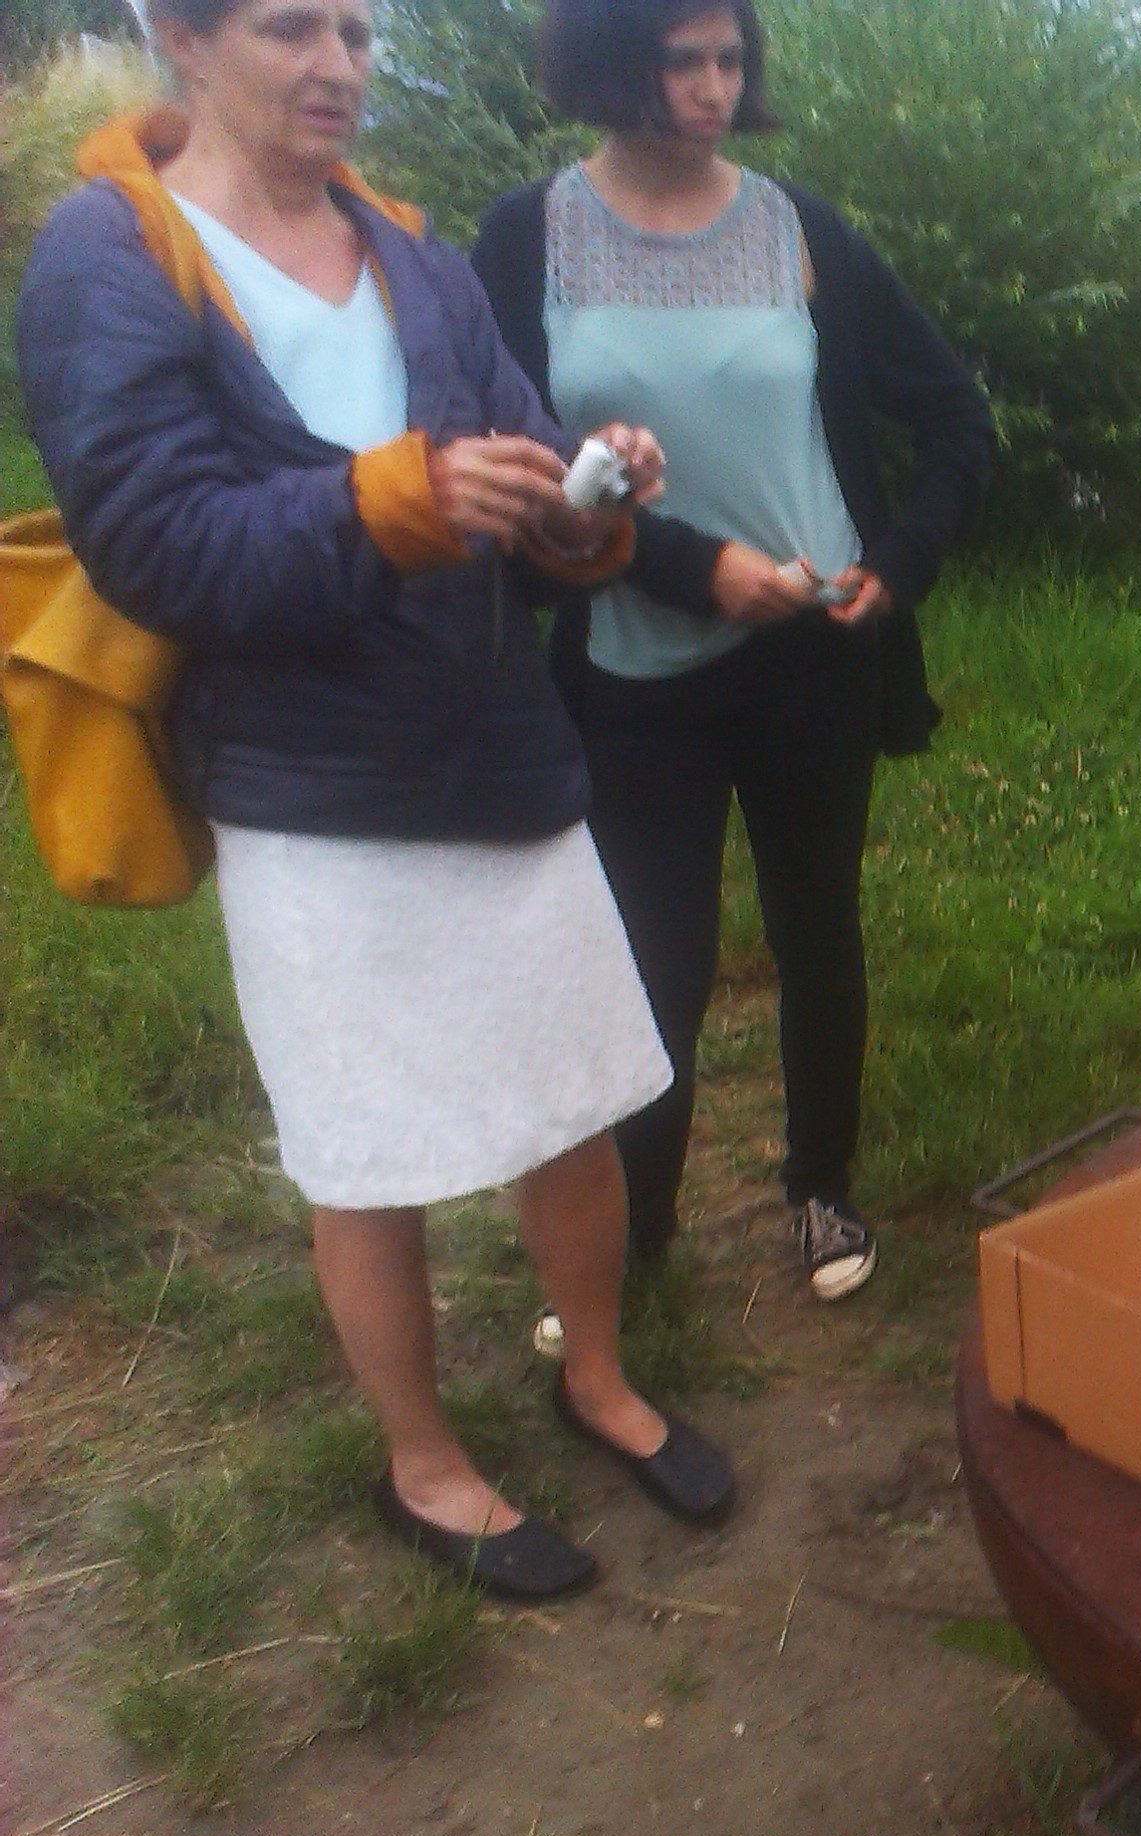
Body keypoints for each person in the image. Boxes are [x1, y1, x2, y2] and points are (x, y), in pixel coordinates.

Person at [16, 0, 736, 1602]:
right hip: (311, 791)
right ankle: (424, 1464)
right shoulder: (109, 256)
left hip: (498, 753)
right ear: (180, 42)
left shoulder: (410, 251)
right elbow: (159, 543)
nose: (341, 63)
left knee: (575, 1097)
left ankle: (598, 1377)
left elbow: (514, 455)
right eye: (293, 28)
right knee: (371, 1151)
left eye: (356, 29)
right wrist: (401, 496)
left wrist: (577, 501)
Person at [471, 0, 994, 1300]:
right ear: (607, 63)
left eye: (728, 59)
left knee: (819, 929)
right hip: (634, 661)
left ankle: (821, 1192)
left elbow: (958, 425)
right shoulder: (527, 236)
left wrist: (896, 566)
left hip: (815, 648)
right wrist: (694, 568)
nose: (711, 87)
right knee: (659, 964)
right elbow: (524, 473)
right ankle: (637, 1238)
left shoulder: (801, 230)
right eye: (678, 60)